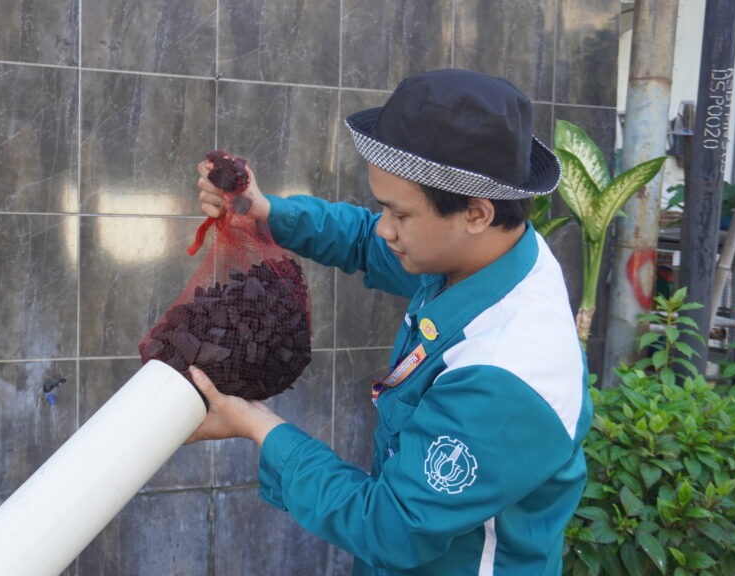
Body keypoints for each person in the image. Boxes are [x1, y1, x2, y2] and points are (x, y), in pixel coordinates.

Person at [188, 68, 592, 576]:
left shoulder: (508, 371)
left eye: (399, 214)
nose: (385, 228)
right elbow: (365, 241)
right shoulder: (491, 256)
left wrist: (260, 427)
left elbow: (393, 526)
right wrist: (263, 211)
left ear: (476, 213)